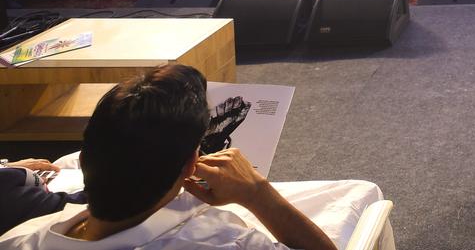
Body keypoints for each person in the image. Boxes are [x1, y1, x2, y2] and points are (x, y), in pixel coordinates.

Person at [0, 64, 381, 249]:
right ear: (189, 166)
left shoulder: (21, 239)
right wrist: (259, 194)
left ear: (83, 161)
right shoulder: (226, 242)